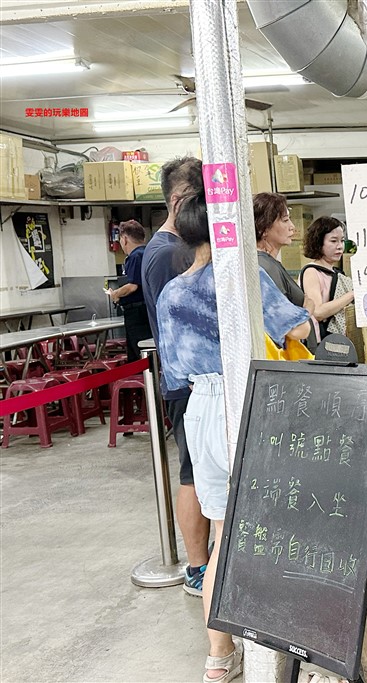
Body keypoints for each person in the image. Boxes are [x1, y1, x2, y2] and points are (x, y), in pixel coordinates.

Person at [157, 188, 313, 683]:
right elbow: (298, 331)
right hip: (250, 401)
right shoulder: (242, 282)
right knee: (273, 530)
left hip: (200, 409)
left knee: (224, 536)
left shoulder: (172, 293)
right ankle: (280, 647)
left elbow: (174, 373)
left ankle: (219, 658)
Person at [140, 156, 209, 597]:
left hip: (197, 383)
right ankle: (198, 566)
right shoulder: (168, 255)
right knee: (192, 474)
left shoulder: (174, 248)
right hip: (187, 385)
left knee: (202, 472)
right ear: (183, 201)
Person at [299, 216, 355, 343]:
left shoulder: (336, 273)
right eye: (333, 241)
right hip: (321, 344)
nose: (340, 246)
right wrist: (351, 295)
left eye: (342, 241)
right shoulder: (312, 272)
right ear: (318, 243)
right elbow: (318, 312)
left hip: (337, 342)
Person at [105, 220, 153, 362]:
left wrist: (115, 294)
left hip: (137, 314)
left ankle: (141, 382)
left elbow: (133, 286)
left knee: (138, 353)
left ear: (124, 239)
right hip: (149, 310)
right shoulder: (149, 252)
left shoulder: (134, 256)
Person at [254, 192, 306, 306]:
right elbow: (285, 316)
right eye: (285, 220)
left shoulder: (269, 262)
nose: (292, 227)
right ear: (264, 228)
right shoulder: (265, 266)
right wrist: (309, 307)